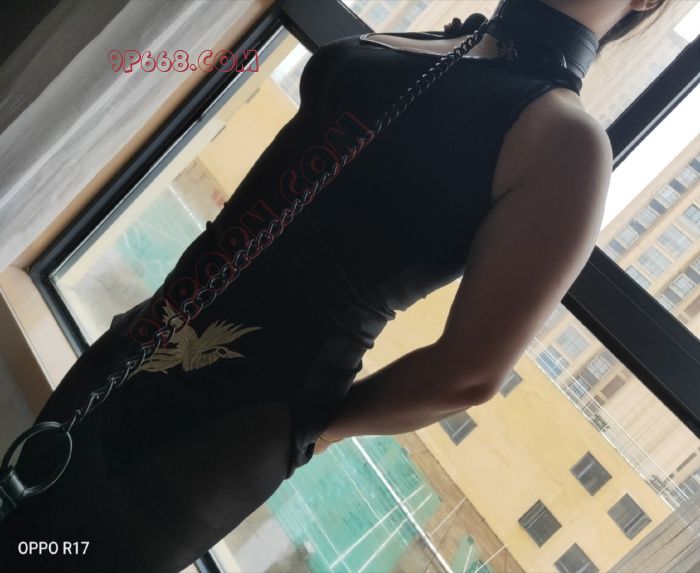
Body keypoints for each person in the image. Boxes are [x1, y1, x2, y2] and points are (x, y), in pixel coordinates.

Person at [0, 0, 669, 571]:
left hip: (231, 425)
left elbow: (468, 374)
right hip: (145, 337)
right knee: (15, 520)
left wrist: (309, 431)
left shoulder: (568, 140)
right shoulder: (448, 41)